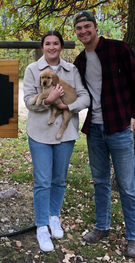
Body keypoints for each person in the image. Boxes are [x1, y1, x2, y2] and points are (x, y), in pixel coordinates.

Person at [72, 11, 135, 258]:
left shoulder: (119, 49)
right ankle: (101, 226)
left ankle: (134, 237)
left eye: (87, 26)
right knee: (100, 182)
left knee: (126, 186)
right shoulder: (80, 61)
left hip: (119, 128)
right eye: (79, 28)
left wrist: (134, 116)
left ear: (95, 27)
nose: (83, 31)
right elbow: (77, 93)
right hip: (94, 129)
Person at [23, 30, 90, 252]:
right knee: (43, 181)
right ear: (42, 47)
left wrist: (66, 106)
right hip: (39, 133)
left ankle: (54, 217)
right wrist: (48, 100)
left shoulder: (71, 70)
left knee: (59, 179)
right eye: (47, 44)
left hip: (66, 133)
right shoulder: (33, 70)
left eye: (56, 43)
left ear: (61, 47)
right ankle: (42, 226)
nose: (52, 47)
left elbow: (85, 97)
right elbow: (28, 103)